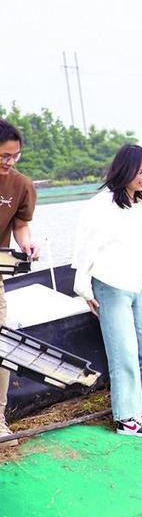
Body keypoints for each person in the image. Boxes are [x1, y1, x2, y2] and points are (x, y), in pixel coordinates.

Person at [73, 144, 142, 437]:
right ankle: (127, 417)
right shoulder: (100, 205)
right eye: (141, 171)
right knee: (124, 352)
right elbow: (85, 247)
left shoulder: (140, 205)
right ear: (125, 170)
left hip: (135, 283)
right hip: (110, 284)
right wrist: (84, 288)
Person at [0, 120, 39, 447]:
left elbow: (20, 226)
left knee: (1, 344)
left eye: (15, 156)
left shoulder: (21, 185)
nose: (9, 162)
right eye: (3, 156)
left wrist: (26, 244)